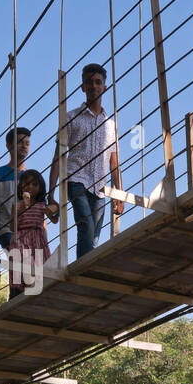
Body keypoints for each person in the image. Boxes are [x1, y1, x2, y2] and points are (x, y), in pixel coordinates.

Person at [49, 63, 123, 258]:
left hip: (100, 186)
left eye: (98, 82)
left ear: (105, 86)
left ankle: (86, 266)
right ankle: (83, 272)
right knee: (86, 225)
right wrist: (51, 194)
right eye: (89, 82)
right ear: (82, 87)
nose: (93, 86)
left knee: (94, 237)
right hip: (76, 179)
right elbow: (58, 156)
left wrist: (119, 194)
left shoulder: (110, 125)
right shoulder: (71, 117)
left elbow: (113, 161)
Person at [8, 169, 59, 298]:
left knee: (39, 266)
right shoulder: (17, 204)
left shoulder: (42, 204)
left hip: (37, 240)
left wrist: (55, 208)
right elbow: (13, 227)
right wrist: (23, 207)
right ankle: (30, 289)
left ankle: (36, 290)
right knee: (25, 263)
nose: (30, 187)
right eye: (26, 184)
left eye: (34, 184)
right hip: (22, 238)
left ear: (40, 187)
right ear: (21, 187)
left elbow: (55, 219)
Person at [0, 126, 31, 250]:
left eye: (27, 143)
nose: (24, 146)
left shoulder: (32, 178)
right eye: (20, 142)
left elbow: (40, 208)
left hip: (29, 232)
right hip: (6, 230)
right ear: (9, 146)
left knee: (27, 267)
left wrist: (44, 235)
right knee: (21, 262)